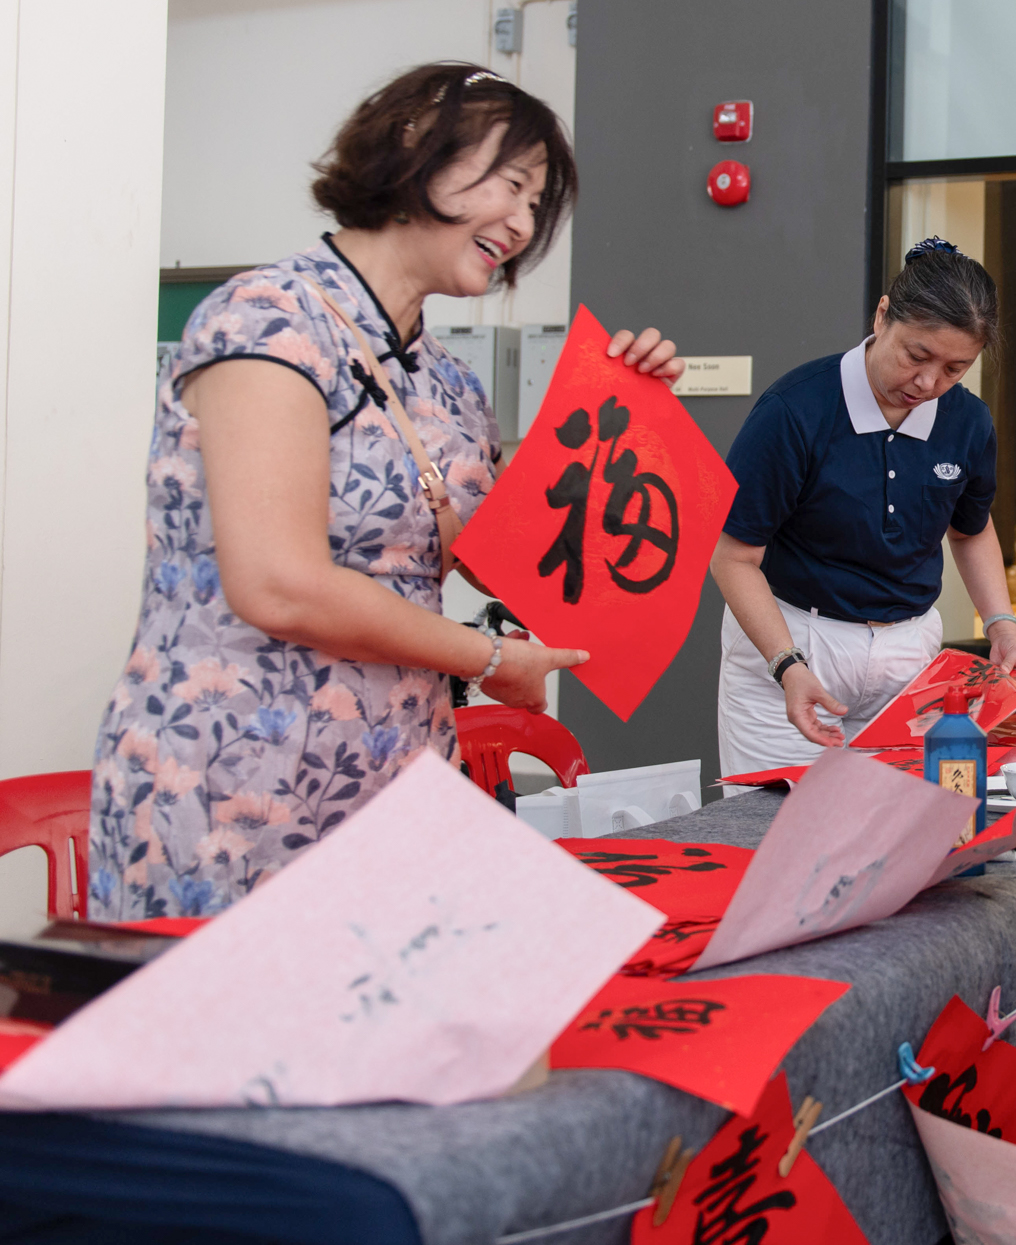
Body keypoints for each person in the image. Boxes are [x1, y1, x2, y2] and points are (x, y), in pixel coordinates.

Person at [90, 64, 685, 920]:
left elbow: (515, 564)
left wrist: (626, 416)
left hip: (399, 779)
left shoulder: (449, 382)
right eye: (512, 184)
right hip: (238, 779)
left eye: (536, 204)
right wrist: (487, 658)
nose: (523, 224)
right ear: (415, 146)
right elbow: (279, 584)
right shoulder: (267, 319)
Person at [711, 238, 1016, 779]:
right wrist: (787, 664)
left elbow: (970, 529)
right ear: (882, 316)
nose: (928, 383)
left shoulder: (968, 422)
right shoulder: (795, 410)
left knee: (901, 822)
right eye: (916, 356)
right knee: (774, 823)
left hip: (908, 655)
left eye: (955, 368)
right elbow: (733, 557)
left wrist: (1002, 624)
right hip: (793, 642)